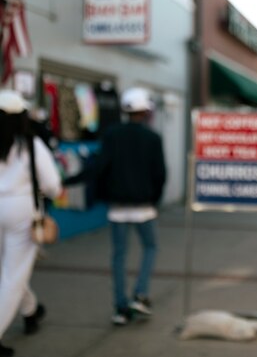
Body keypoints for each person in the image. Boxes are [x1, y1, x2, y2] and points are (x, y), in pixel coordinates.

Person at [65, 87, 166, 326]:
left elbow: (98, 167)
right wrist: (155, 199)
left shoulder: (112, 134)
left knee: (119, 256)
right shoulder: (153, 138)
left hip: (117, 206)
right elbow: (160, 174)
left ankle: (120, 307)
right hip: (144, 206)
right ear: (145, 112)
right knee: (150, 247)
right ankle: (140, 294)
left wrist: (68, 181)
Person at [0, 90, 62, 357]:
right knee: (13, 275)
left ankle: (30, 310)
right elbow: (52, 185)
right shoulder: (31, 145)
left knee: (9, 270)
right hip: (20, 211)